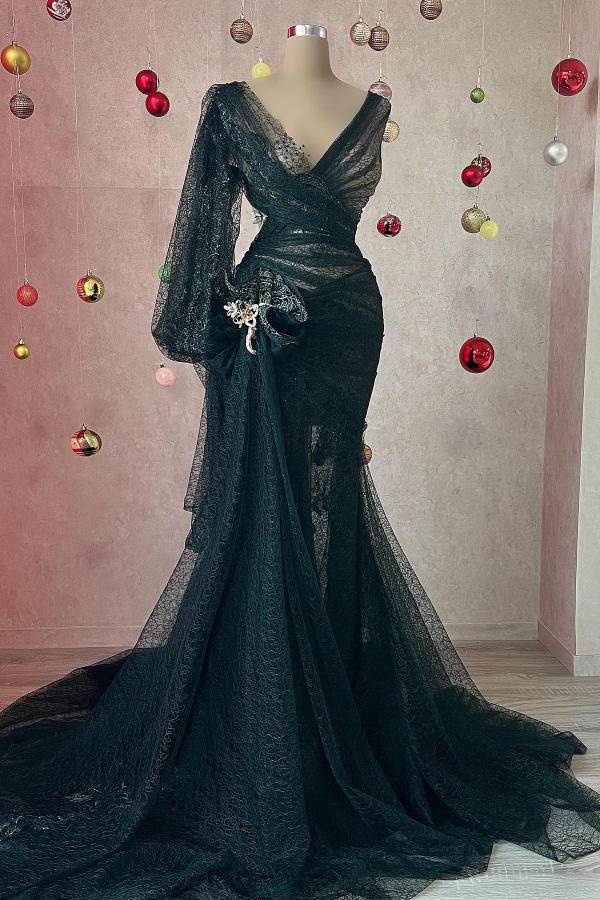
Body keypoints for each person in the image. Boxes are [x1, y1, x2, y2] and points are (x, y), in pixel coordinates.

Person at [0, 24, 599, 900]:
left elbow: (219, 236)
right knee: (263, 502)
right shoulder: (228, 107)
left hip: (344, 322)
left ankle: (322, 706)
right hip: (271, 325)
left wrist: (215, 317)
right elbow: (204, 228)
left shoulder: (371, 107)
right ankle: (263, 705)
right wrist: (222, 322)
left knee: (332, 494)